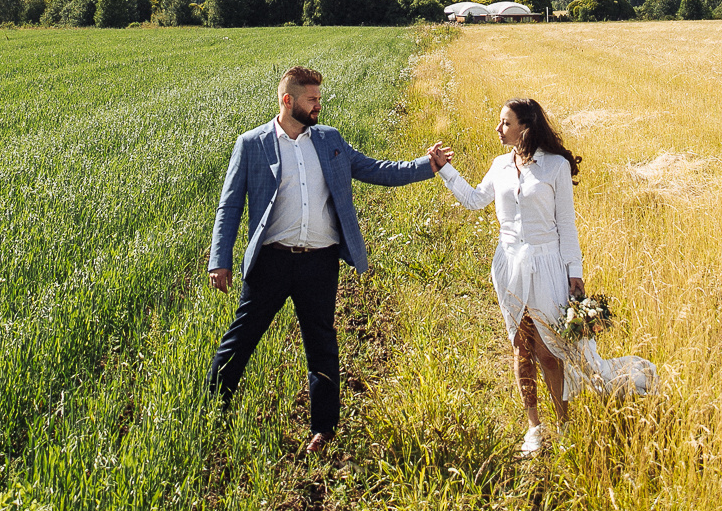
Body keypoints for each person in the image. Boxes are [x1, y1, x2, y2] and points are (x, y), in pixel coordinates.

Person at [207, 66, 455, 455]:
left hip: (319, 263)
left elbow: (375, 169)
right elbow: (230, 205)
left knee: (321, 343)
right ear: (288, 100)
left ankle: (323, 430)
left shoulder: (329, 140)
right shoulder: (252, 144)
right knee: (241, 339)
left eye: (319, 99)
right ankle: (211, 412)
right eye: (312, 99)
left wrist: (427, 165)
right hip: (271, 261)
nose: (318, 105)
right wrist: (219, 260)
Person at [434, 97, 655, 455]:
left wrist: (575, 273)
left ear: (526, 126)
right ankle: (534, 428)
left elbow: (566, 224)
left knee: (550, 350)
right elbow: (474, 200)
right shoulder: (500, 166)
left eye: (506, 123)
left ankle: (564, 425)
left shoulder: (555, 167)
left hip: (548, 264)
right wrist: (445, 170)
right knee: (521, 347)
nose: (499, 129)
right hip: (509, 265)